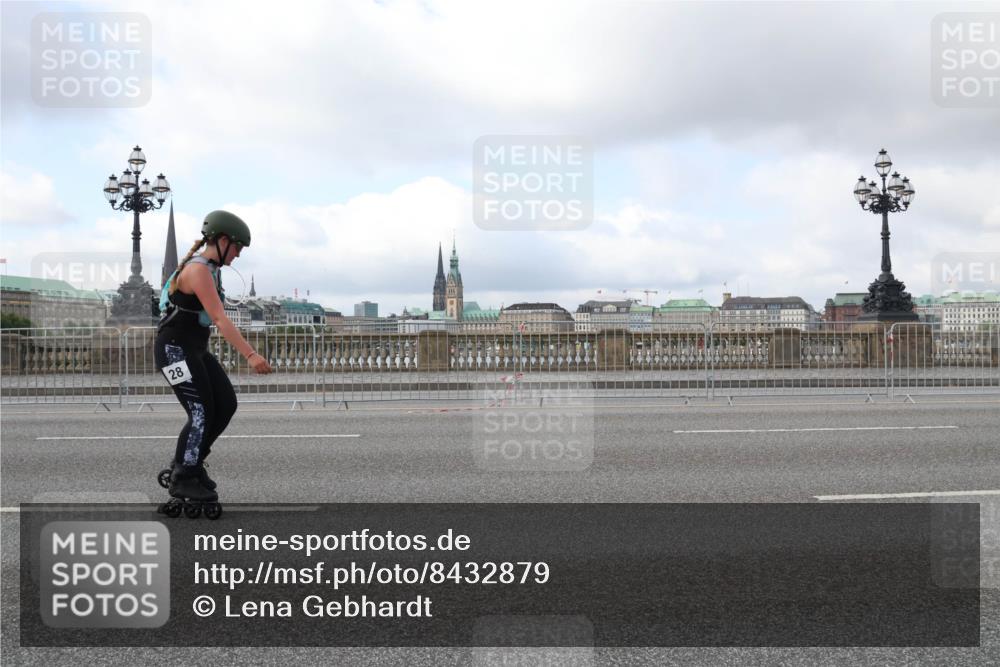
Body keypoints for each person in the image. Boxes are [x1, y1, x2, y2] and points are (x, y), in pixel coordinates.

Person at [154, 210, 272, 508]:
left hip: (194, 350)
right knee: (201, 412)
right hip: (174, 352)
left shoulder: (211, 268)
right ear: (222, 240)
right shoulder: (198, 271)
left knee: (226, 404)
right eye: (237, 248)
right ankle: (185, 475)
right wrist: (251, 354)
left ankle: (190, 463)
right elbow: (219, 318)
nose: (238, 255)